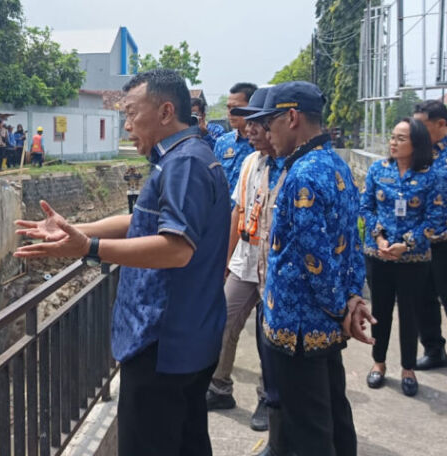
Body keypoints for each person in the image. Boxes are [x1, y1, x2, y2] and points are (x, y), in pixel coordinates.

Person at [14, 69, 230, 456]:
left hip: (163, 343)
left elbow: (175, 248)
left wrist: (89, 248)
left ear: (166, 112)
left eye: (132, 113)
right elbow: (142, 221)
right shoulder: (185, 156)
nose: (126, 125)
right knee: (186, 442)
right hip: (188, 337)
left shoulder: (183, 165)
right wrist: (76, 229)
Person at [245, 81, 375, 455]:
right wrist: (351, 299)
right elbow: (350, 244)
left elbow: (314, 259)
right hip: (323, 326)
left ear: (292, 117)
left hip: (299, 328)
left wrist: (340, 308)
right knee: (332, 412)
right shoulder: (336, 164)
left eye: (271, 124)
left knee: (308, 429)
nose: (267, 134)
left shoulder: (302, 174)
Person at [205, 88, 274, 434]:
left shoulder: (286, 166)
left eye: (256, 121)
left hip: (273, 262)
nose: (248, 127)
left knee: (268, 334)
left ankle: (268, 397)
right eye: (245, 119)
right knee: (225, 319)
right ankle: (220, 387)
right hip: (245, 257)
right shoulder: (249, 161)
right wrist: (226, 259)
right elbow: (238, 210)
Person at [360, 118, 442, 397]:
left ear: (416, 144)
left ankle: (408, 368)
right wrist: (380, 238)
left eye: (400, 138)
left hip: (414, 259)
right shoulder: (377, 170)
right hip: (379, 254)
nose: (393, 143)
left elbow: (435, 217)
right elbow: (367, 207)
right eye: (392, 137)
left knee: (410, 313)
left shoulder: (431, 176)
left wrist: (406, 244)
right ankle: (379, 363)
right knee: (379, 312)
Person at [413, 100, 447, 370]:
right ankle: (434, 350)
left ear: (441, 125)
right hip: (422, 242)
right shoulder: (418, 154)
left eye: (422, 127)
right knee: (423, 299)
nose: (416, 132)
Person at [214, 83, 258, 208]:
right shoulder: (223, 142)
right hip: (226, 216)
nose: (230, 113)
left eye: (236, 108)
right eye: (228, 108)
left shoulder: (264, 143)